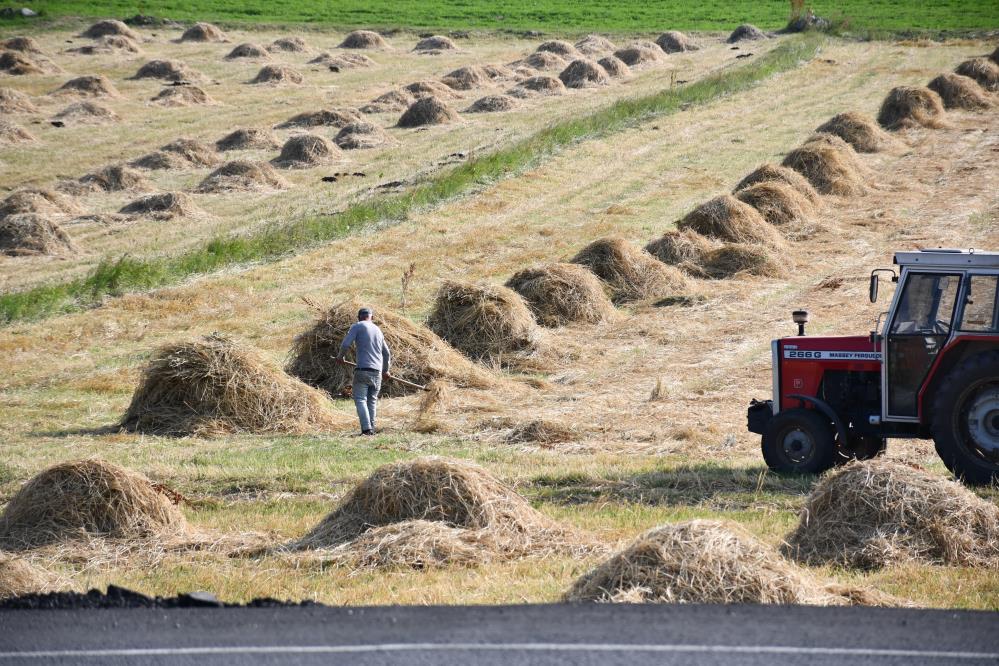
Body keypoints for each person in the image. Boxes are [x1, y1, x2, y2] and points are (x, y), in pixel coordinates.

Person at [336, 307, 391, 435]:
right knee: (372, 400)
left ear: (359, 317)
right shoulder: (378, 330)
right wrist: (386, 370)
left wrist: (340, 357)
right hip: (377, 372)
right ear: (372, 317)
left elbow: (345, 344)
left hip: (363, 370)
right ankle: (371, 428)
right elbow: (387, 353)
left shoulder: (358, 326)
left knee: (360, 399)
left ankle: (366, 429)